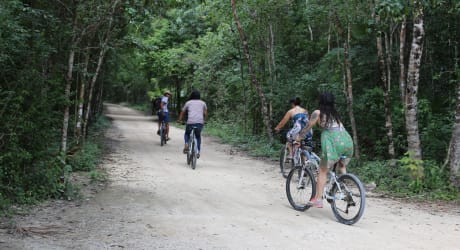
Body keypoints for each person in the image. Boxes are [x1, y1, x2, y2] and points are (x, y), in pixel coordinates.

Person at [298, 91, 354, 208]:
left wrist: (297, 138)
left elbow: (307, 128)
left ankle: (318, 199)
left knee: (323, 170)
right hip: (347, 141)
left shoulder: (318, 113)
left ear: (320, 101)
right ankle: (346, 192)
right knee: (342, 166)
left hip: (333, 142)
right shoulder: (335, 114)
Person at [274, 97, 312, 162]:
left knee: (289, 137)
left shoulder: (291, 111)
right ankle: (305, 165)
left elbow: (283, 122)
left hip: (298, 129)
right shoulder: (305, 111)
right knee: (303, 146)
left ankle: (292, 154)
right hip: (308, 131)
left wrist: (277, 128)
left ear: (292, 104)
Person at [177, 90, 207, 158]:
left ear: (192, 96)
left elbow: (182, 112)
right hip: (199, 122)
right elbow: (205, 113)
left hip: (190, 122)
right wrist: (204, 121)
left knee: (187, 133)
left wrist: (179, 120)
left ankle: (186, 143)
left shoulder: (188, 103)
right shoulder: (203, 103)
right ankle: (198, 152)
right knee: (198, 136)